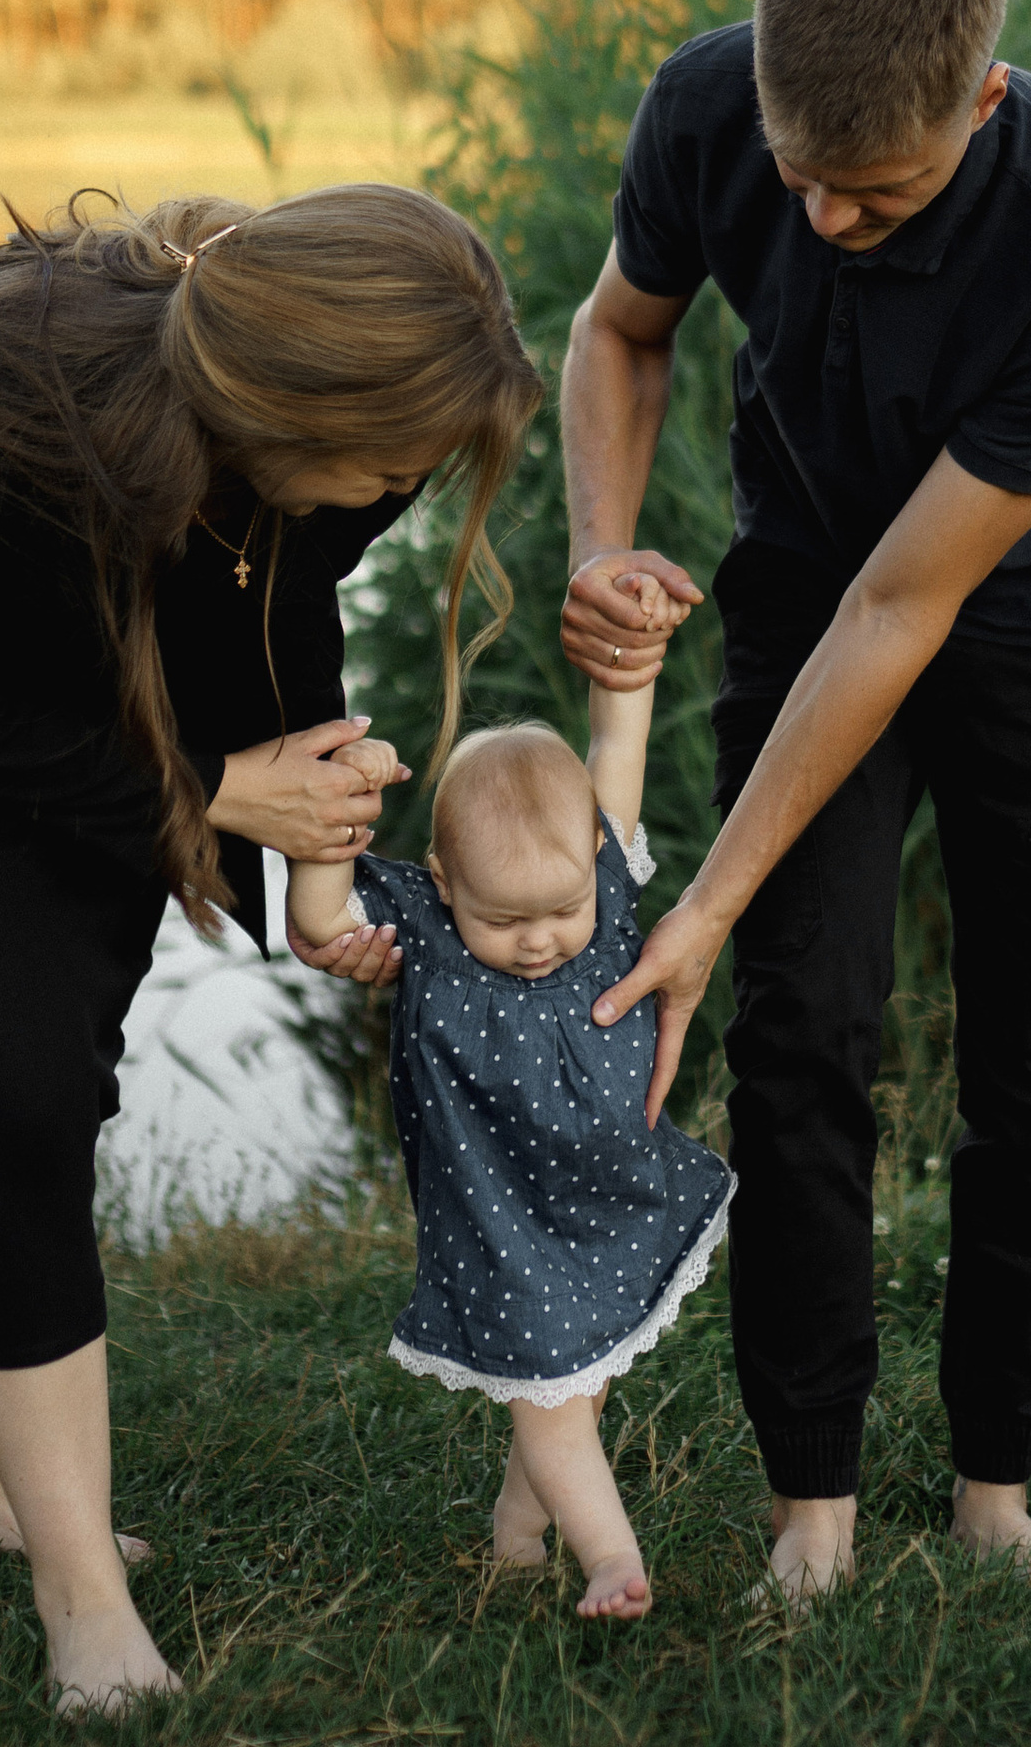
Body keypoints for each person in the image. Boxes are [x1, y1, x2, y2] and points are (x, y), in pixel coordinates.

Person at [0, 185, 539, 1713]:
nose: (403, 487)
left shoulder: (365, 438)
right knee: (21, 1076)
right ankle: (82, 1609)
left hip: (110, 657)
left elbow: (285, 588)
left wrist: (315, 857)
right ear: (291, 393)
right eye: (388, 458)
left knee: (48, 1055)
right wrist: (219, 792)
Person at [557, 0, 1031, 1600]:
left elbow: (907, 618)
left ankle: (994, 1495)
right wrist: (602, 546)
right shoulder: (705, 104)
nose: (819, 215)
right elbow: (620, 331)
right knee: (807, 1033)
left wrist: (705, 900)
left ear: (981, 105)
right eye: (796, 172)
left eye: (872, 193)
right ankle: (808, 1515)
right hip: (806, 577)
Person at [286, 575, 727, 1620]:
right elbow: (320, 912)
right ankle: (612, 1558)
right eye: (503, 919)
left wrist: (632, 659)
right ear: (441, 881)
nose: (538, 940)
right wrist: (340, 805)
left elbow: (615, 750)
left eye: (561, 911)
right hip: (497, 1219)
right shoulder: (428, 935)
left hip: (613, 1192)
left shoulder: (607, 883)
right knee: (553, 1394)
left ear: (590, 865)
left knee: (584, 1371)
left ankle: (516, 1535)